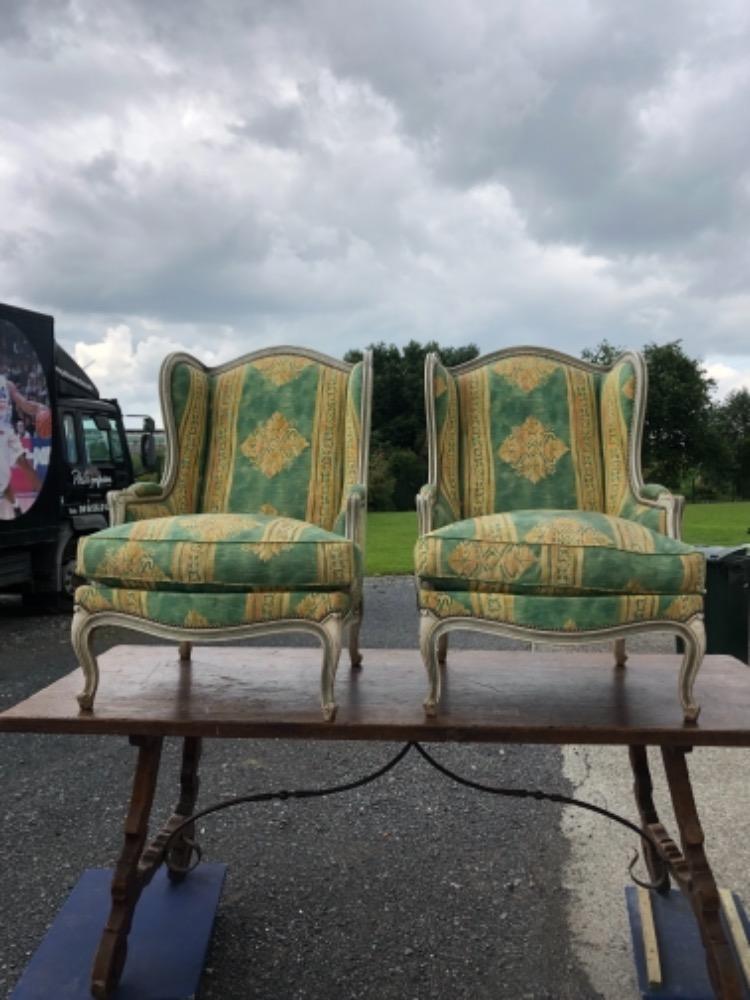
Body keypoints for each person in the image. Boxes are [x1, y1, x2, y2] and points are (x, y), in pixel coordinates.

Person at [0, 369, 45, 518]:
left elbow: (23, 403)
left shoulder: (7, 383)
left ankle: (43, 504)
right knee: (3, 481)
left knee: (24, 463)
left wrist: (38, 408)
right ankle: (16, 506)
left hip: (8, 431)